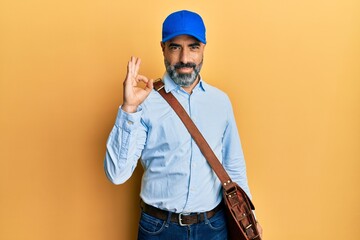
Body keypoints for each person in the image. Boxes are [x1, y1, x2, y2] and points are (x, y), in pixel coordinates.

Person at [104, 10, 263, 240]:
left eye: (193, 47)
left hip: (214, 228)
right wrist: (129, 109)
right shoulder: (145, 102)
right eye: (175, 47)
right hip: (159, 228)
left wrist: (248, 219)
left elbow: (234, 167)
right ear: (163, 49)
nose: (185, 59)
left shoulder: (221, 102)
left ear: (204, 48)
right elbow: (116, 174)